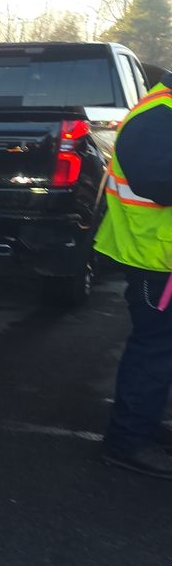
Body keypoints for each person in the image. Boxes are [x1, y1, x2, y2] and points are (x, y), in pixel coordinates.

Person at [97, 62, 172, 477]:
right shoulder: (157, 115)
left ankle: (142, 426)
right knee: (154, 351)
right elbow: (158, 182)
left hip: (161, 255)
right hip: (155, 259)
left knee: (161, 351)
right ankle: (128, 441)